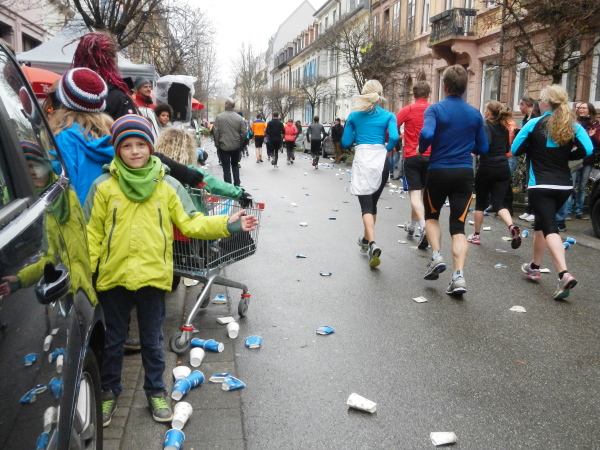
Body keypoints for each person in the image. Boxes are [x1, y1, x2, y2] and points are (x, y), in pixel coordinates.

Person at [85, 115, 258, 427]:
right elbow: (92, 236)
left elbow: (191, 222)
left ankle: (155, 391)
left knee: (152, 341)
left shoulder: (168, 185)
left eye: (141, 144)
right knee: (113, 341)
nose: (135, 151)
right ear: (117, 149)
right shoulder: (103, 187)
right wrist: (85, 277)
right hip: (112, 278)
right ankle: (109, 390)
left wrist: (229, 224)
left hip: (153, 277)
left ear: (151, 148)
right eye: (127, 145)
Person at [512, 85, 593, 299]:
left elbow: (515, 149)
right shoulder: (572, 124)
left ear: (546, 102)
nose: (538, 103)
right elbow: (588, 149)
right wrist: (565, 155)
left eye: (540, 100)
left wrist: (532, 147)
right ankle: (535, 266)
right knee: (541, 223)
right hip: (564, 186)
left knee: (550, 227)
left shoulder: (533, 123)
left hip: (540, 185)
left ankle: (563, 274)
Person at [418, 65, 489, 295]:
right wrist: (467, 147)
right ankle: (458, 277)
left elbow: (427, 134)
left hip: (438, 171)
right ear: (465, 87)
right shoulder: (475, 114)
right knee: (458, 226)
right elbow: (483, 147)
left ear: (444, 86)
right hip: (464, 173)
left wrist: (422, 148)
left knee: (431, 216)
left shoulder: (435, 110)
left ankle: (437, 256)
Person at [341, 80, 399, 268]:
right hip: (381, 161)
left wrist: (354, 131)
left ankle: (372, 243)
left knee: (366, 207)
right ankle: (366, 241)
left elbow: (345, 142)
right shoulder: (389, 116)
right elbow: (395, 137)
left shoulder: (354, 116)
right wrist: (385, 150)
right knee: (373, 205)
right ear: (380, 94)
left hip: (363, 160)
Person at [48, 67, 114, 206]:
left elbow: (63, 189)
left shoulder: (63, 139)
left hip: (80, 215)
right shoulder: (113, 133)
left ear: (62, 100)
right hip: (108, 212)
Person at [467, 101, 521, 249]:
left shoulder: (486, 126)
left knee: (480, 204)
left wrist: (474, 149)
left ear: (489, 112)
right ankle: (511, 226)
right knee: (498, 203)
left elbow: (485, 145)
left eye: (486, 109)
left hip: (487, 167)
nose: (484, 111)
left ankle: (476, 235)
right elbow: (506, 148)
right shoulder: (504, 128)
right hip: (503, 168)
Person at [72, 32, 137, 120]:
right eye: (114, 55)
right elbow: (130, 127)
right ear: (111, 60)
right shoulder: (118, 98)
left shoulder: (66, 96)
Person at [396, 80, 431, 240]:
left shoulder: (408, 109)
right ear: (428, 94)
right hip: (431, 156)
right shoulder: (434, 109)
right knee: (420, 195)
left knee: (415, 195)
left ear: (414, 94)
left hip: (412, 155)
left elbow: (393, 126)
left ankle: (423, 227)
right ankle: (411, 227)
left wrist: (397, 139)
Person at [569, 102, 600, 219]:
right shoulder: (573, 122)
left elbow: (598, 141)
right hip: (574, 158)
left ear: (589, 110)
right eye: (580, 108)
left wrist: (593, 136)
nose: (581, 110)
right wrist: (588, 135)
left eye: (584, 108)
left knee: (582, 186)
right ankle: (567, 210)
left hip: (588, 159)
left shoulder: (595, 124)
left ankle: (579, 210)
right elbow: (571, 138)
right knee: (570, 185)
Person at [518, 96, 541, 223]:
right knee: (529, 182)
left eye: (520, 105)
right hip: (529, 154)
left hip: (535, 154)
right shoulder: (526, 119)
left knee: (534, 182)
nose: (519, 108)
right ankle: (529, 209)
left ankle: (534, 211)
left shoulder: (534, 119)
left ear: (525, 105)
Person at [213, 98, 246, 186]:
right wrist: (240, 143)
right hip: (236, 145)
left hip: (223, 145)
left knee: (226, 167)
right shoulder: (239, 118)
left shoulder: (219, 117)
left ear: (226, 105)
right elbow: (244, 132)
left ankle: (228, 185)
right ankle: (237, 184)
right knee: (235, 165)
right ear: (233, 106)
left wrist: (217, 144)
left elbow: (216, 132)